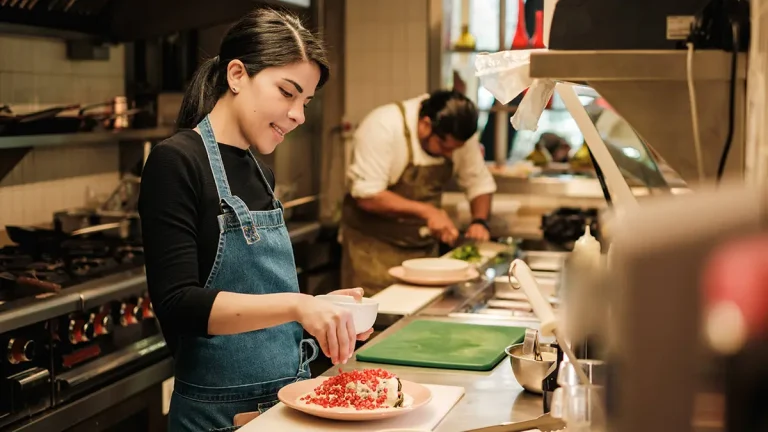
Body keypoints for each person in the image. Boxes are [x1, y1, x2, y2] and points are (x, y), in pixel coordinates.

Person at [138, 8, 372, 431]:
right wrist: (298, 305)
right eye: (287, 92)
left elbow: (264, 318)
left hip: (288, 406)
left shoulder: (261, 171)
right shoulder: (176, 161)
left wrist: (322, 319)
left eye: (306, 101)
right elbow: (177, 305)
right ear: (236, 75)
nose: (299, 114)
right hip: (216, 417)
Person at [341, 91, 497, 296]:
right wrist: (428, 212)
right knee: (375, 321)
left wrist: (479, 221)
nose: (450, 154)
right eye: (444, 146)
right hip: (372, 252)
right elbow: (367, 196)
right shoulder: (383, 126)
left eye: (455, 149)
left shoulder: (457, 135)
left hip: (424, 255)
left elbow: (479, 183)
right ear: (425, 124)